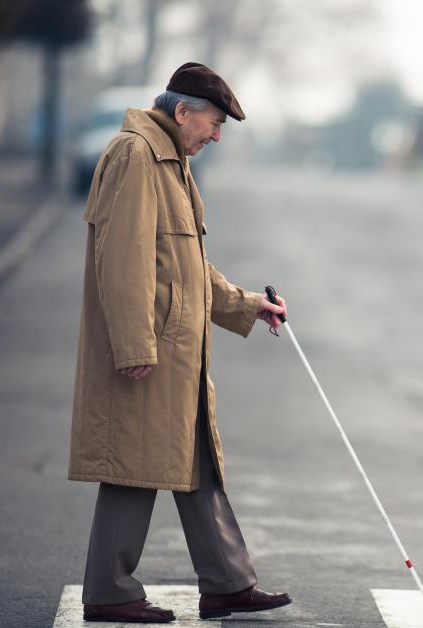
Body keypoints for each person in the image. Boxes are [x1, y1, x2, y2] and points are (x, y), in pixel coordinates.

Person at [68, 61, 291, 623]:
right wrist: (135, 346)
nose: (216, 135)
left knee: (196, 467)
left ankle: (227, 584)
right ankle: (111, 593)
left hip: (177, 356)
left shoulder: (171, 163)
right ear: (182, 111)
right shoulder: (136, 157)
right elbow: (123, 262)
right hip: (152, 352)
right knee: (131, 469)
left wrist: (246, 303)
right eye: (213, 123)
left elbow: (185, 267)